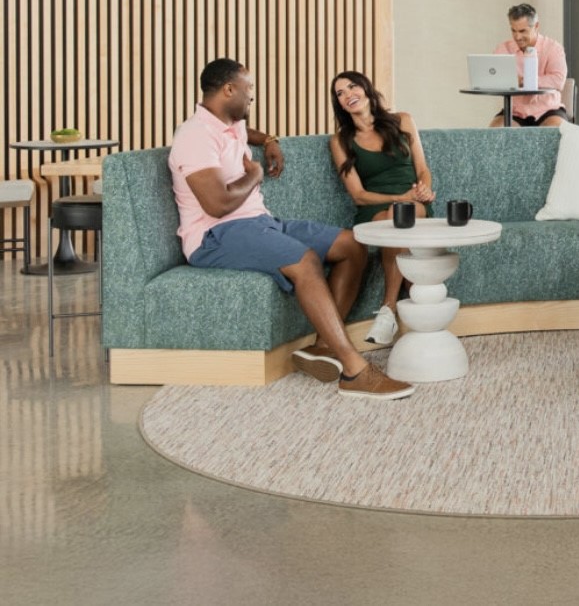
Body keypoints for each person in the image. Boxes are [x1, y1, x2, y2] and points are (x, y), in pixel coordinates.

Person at [169, 58, 413, 400]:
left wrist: (269, 139)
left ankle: (325, 346)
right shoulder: (195, 136)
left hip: (259, 222)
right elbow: (217, 205)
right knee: (305, 260)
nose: (252, 95)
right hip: (216, 235)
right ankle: (354, 371)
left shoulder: (229, 123)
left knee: (350, 245)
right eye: (248, 87)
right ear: (228, 89)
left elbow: (245, 134)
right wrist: (253, 175)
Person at [329, 71, 435, 347]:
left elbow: (423, 170)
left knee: (400, 214)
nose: (348, 95)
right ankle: (417, 315)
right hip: (374, 207)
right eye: (340, 93)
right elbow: (359, 195)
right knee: (394, 217)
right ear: (339, 104)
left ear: (366, 89)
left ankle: (387, 309)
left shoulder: (403, 121)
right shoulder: (340, 141)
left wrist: (423, 189)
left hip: (414, 202)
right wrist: (400, 196)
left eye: (352, 87)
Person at [490, 3, 568, 127]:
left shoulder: (553, 48)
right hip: (515, 111)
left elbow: (558, 81)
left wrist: (525, 81)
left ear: (536, 26)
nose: (517, 37)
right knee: (494, 132)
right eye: (513, 30)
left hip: (548, 110)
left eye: (522, 31)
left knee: (555, 131)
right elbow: (493, 79)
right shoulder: (503, 49)